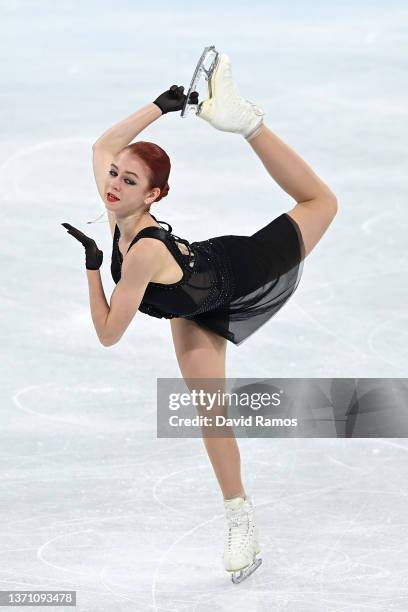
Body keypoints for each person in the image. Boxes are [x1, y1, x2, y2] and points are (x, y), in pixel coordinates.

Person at [62, 53, 338, 581]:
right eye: (116, 176)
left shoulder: (141, 252)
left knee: (321, 201)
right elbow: (102, 146)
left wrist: (95, 269)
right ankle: (241, 517)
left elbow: (107, 334)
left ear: (155, 195)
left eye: (130, 181)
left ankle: (248, 122)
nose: (112, 184)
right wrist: (160, 108)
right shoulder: (118, 195)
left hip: (233, 271)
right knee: (211, 411)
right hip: (188, 302)